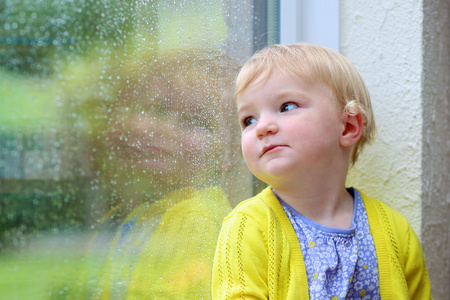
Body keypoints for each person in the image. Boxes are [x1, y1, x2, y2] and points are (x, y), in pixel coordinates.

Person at [212, 43, 432, 299]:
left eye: (287, 106)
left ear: (348, 127)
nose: (262, 127)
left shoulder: (396, 232)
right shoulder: (248, 228)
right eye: (248, 120)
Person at [73, 49, 244, 299]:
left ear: (230, 153)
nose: (163, 129)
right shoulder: (144, 211)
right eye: (152, 111)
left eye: (195, 122)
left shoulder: (198, 221)